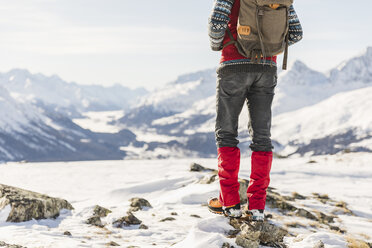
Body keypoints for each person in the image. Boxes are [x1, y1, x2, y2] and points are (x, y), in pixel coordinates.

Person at [207, 0, 302, 220]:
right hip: (267, 67)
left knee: (226, 133)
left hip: (233, 65)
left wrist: (220, 44)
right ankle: (257, 206)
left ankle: (229, 202)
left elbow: (216, 23)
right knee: (262, 137)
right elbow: (296, 33)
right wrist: (269, 45)